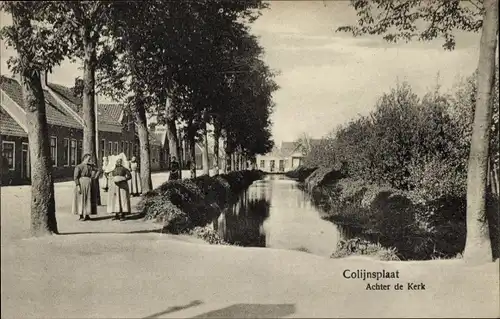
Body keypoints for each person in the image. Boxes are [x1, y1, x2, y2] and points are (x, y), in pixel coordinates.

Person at [72, 153, 99, 221]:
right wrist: (78, 186)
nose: (90, 160)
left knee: (88, 198)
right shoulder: (79, 166)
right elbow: (75, 177)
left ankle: (87, 214)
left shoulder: (91, 166)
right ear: (84, 158)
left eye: (90, 159)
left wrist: (95, 177)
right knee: (81, 199)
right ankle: (81, 215)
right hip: (81, 183)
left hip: (89, 184)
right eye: (88, 159)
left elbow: (99, 170)